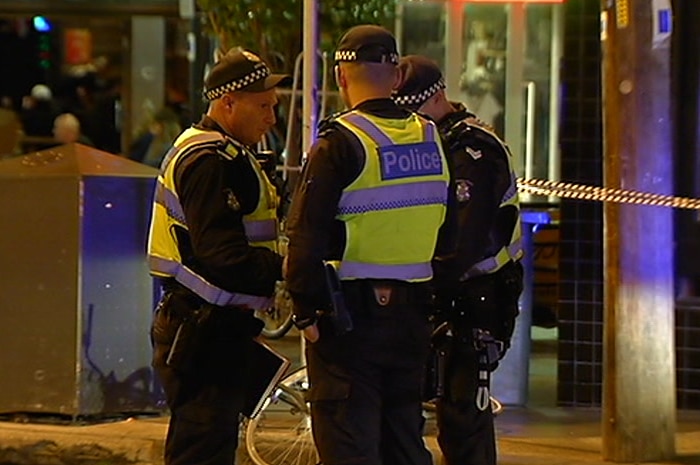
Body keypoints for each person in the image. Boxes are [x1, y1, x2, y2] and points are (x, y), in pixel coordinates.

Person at [285, 25, 458, 465]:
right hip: (413, 317)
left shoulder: (339, 143)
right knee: (403, 442)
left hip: (350, 321)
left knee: (348, 443)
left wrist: (306, 313)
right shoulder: (430, 138)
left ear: (341, 78)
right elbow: (449, 230)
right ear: (398, 76)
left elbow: (304, 238)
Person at [146, 48, 290, 465]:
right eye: (263, 106)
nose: (272, 118)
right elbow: (222, 255)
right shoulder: (208, 160)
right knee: (202, 447)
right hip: (202, 329)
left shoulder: (224, 152)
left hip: (213, 324)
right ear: (228, 103)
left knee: (209, 443)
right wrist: (286, 268)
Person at [393, 55, 524, 465]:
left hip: (477, 296)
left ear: (434, 99)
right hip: (448, 291)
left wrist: (420, 284)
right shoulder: (436, 144)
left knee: (463, 414)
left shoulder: (471, 151)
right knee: (440, 404)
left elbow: (464, 242)